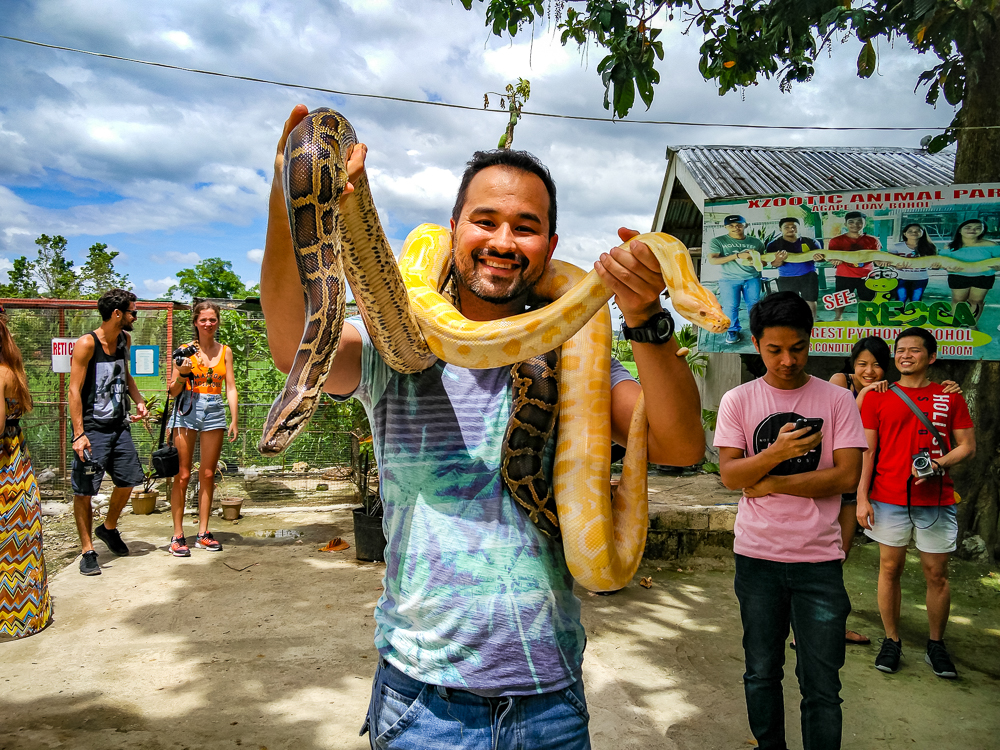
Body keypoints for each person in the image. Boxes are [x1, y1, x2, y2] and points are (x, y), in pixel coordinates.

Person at [261, 104, 705, 750]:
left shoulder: (574, 350)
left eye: (526, 227)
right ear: (452, 231)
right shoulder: (396, 348)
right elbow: (293, 345)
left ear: (551, 246)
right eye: (485, 220)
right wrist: (290, 196)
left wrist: (646, 318)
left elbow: (678, 444)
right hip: (423, 703)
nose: (503, 241)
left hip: (549, 701)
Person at [714, 291, 867, 750]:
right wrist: (777, 452)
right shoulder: (738, 400)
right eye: (774, 349)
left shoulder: (837, 400)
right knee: (761, 671)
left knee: (822, 682)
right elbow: (730, 475)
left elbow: (846, 475)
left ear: (810, 339)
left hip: (819, 560)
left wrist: (772, 482)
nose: (787, 360)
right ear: (756, 344)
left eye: (797, 348)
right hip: (757, 557)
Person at [857, 328, 976, 679]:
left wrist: (939, 464)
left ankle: (936, 644)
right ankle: (891, 640)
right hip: (887, 497)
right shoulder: (879, 396)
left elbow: (967, 446)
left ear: (932, 357)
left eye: (915, 350)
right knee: (889, 568)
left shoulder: (949, 397)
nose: (905, 355)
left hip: (936, 499)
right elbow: (867, 452)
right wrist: (862, 497)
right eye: (900, 350)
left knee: (936, 574)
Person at [68, 289, 148, 576]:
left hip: (119, 425)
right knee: (85, 491)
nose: (135, 317)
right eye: (132, 312)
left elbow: (125, 374)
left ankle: (108, 528)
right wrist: (79, 434)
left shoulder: (124, 339)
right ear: (117, 314)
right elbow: (74, 390)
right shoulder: (87, 344)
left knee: (129, 480)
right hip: (92, 430)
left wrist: (138, 400)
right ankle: (87, 550)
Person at [165, 301, 238, 557]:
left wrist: (234, 418)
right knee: (183, 475)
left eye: (212, 319)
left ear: (218, 322)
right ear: (196, 322)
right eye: (203, 320)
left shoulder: (225, 351)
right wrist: (182, 374)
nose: (208, 324)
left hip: (214, 408)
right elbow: (173, 391)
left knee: (208, 474)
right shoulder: (185, 351)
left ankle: (203, 533)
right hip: (187, 408)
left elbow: (230, 386)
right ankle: (177, 536)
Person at [0, 305, 52, 639]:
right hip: (18, 466)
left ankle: (12, 620)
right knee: (20, 547)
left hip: (4, 473)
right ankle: (28, 616)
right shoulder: (11, 369)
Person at [709, 214, 766, 345]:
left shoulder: (756, 242)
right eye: (731, 225)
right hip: (728, 279)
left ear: (745, 225)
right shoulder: (718, 241)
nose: (736, 227)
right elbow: (713, 260)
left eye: (739, 225)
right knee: (730, 306)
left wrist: (758, 262)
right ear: (725, 227)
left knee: (754, 305)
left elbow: (764, 260)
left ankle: (756, 329)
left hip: (752, 278)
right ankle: (732, 330)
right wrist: (737, 255)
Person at [821, 211, 880, 322]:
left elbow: (877, 257)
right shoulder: (836, 240)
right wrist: (834, 260)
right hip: (844, 275)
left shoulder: (873, 240)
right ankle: (838, 317)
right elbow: (830, 257)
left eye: (859, 222)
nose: (855, 225)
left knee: (867, 298)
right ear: (845, 224)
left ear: (865, 223)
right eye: (851, 222)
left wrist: (883, 262)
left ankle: (866, 319)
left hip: (867, 275)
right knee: (840, 299)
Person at [937, 218, 1000, 320]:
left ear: (983, 230)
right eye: (968, 227)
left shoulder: (992, 245)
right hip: (958, 276)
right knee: (958, 301)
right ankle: (955, 321)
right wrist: (946, 267)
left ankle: (972, 324)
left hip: (983, 277)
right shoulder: (950, 246)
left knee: (976, 301)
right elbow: (942, 263)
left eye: (978, 228)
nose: (973, 230)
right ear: (960, 230)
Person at [767, 217, 822, 317]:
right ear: (780, 228)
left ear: (799, 228)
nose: (791, 229)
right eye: (786, 227)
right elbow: (774, 264)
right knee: (789, 302)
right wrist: (778, 260)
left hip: (809, 276)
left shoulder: (811, 242)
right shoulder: (773, 245)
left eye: (794, 226)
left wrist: (819, 259)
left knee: (811, 299)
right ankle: (793, 322)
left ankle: (813, 321)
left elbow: (822, 259)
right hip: (786, 278)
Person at [887, 223, 936, 304]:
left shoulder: (930, 247)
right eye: (910, 231)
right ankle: (899, 312)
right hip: (901, 278)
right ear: (904, 233)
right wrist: (896, 266)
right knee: (900, 300)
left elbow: (935, 265)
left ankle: (914, 313)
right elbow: (890, 261)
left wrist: (935, 266)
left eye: (917, 231)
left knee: (916, 300)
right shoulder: (896, 247)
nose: (914, 233)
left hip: (921, 279)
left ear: (923, 232)